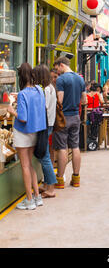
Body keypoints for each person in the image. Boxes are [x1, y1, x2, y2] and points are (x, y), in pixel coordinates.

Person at [7, 63, 47, 210]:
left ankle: (29, 200)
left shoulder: (23, 94)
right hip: (35, 132)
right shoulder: (39, 90)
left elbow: (22, 118)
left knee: (24, 166)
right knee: (30, 165)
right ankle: (37, 196)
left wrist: (12, 111)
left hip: (23, 133)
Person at [52, 56, 87, 190]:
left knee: (62, 148)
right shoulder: (80, 78)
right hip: (75, 117)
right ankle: (76, 178)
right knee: (75, 146)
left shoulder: (61, 79)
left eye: (57, 69)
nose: (57, 72)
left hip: (63, 118)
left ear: (61, 65)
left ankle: (60, 180)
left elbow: (59, 100)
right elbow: (84, 100)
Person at [33, 64, 57, 199]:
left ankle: (51, 188)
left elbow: (43, 108)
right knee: (44, 154)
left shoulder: (46, 90)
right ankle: (47, 184)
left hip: (44, 125)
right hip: (49, 124)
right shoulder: (50, 88)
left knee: (44, 156)